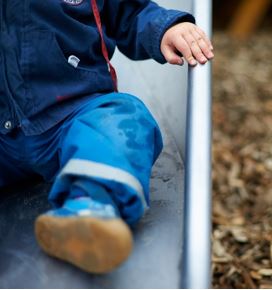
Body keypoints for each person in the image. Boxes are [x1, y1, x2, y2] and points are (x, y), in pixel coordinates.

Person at [0, 0, 214, 273]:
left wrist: (166, 28)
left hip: (72, 112)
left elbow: (130, 11)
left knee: (125, 117)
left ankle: (91, 208)